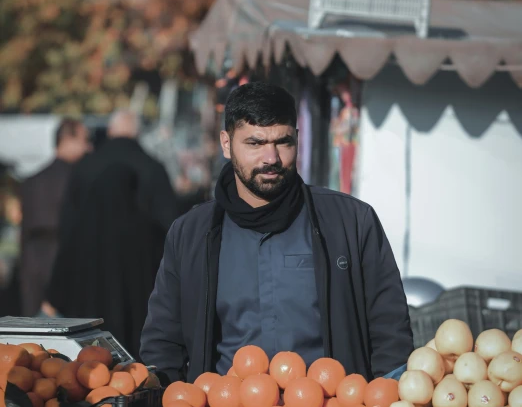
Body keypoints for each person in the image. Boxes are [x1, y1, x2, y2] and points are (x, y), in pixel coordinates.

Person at [140, 82, 413, 382]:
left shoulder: (351, 223)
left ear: (298, 138)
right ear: (227, 144)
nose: (271, 158)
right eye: (255, 143)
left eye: (282, 142)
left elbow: (390, 335)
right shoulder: (191, 234)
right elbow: (163, 344)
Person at [44, 110, 179, 358]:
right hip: (140, 297)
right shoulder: (152, 168)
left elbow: (67, 231)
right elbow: (173, 233)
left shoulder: (86, 167)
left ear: (110, 131)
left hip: (88, 289)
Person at [20, 118, 91, 316]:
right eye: (84, 140)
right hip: (66, 266)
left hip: (33, 267)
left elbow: (24, 234)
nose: (89, 147)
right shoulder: (79, 180)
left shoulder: (32, 181)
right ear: (68, 139)